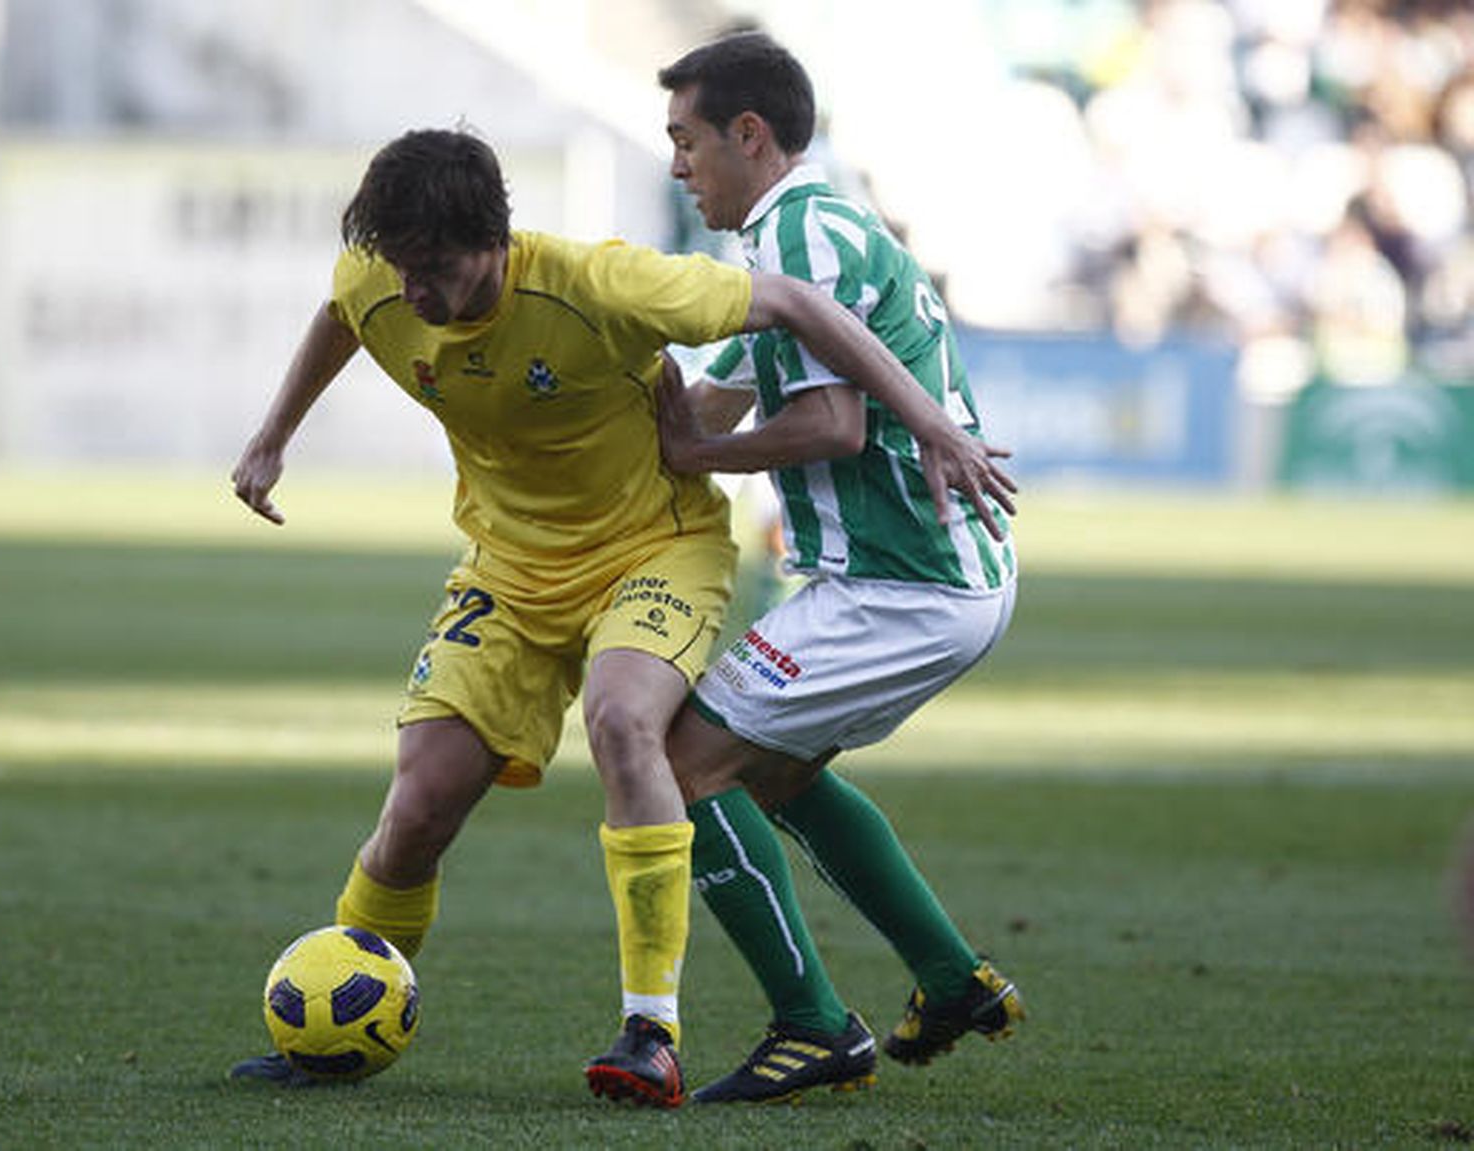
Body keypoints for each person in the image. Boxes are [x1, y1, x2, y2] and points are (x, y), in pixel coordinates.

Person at [226, 127, 1013, 1107]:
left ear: (496, 242)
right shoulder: (379, 273)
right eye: (402, 270)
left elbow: (796, 304)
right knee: (422, 798)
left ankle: (652, 1029)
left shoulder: (603, 284)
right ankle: (329, 1028)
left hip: (652, 549)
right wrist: (272, 437)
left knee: (627, 723)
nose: (416, 294)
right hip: (508, 567)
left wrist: (931, 418)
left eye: (438, 270)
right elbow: (342, 310)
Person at [652, 32, 1026, 1104]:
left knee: (683, 763)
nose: (679, 165)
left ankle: (812, 1022)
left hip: (903, 584)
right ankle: (953, 979)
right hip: (912, 577)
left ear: (749, 135)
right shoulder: (793, 235)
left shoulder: (803, 237)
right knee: (777, 773)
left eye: (687, 141)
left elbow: (830, 425)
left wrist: (702, 457)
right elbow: (707, 398)